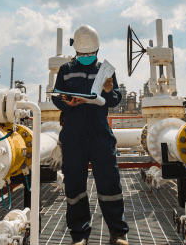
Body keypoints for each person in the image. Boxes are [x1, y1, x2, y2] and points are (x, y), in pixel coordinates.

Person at [51, 25, 129, 245]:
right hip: (73, 133)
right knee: (74, 184)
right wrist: (66, 101)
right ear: (75, 50)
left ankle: (118, 232)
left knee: (110, 182)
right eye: (82, 54)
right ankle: (79, 234)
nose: (86, 58)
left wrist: (107, 91)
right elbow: (57, 97)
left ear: (97, 50)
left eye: (90, 54)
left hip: (99, 134)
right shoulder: (65, 69)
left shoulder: (106, 70)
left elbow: (114, 100)